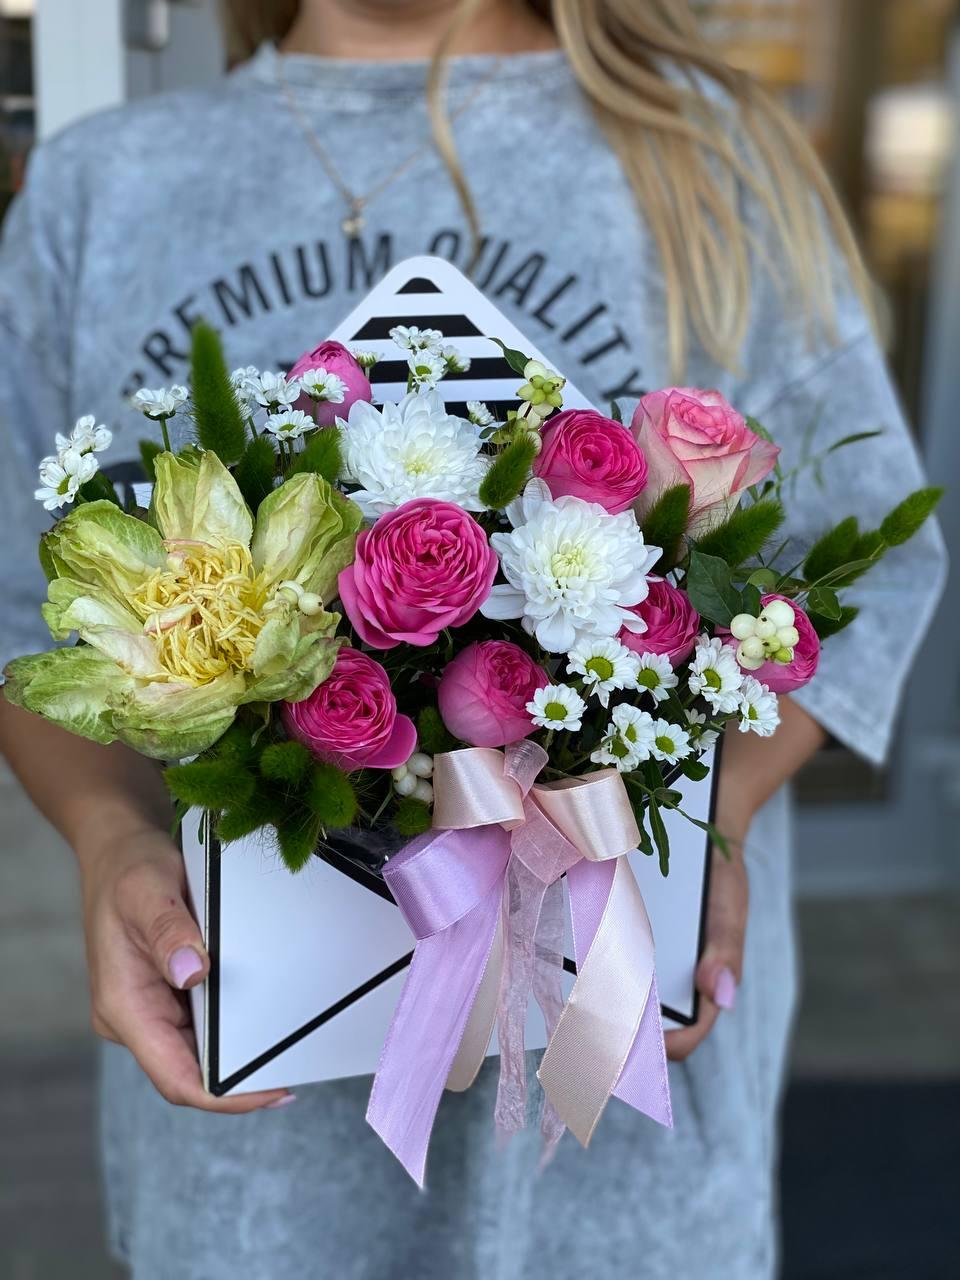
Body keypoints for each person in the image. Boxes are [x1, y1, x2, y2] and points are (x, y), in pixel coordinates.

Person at [0, 1, 946, 1277]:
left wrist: (715, 817)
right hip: (256, 1169)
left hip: (609, 1162)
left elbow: (868, 572)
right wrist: (111, 840)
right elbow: (23, 617)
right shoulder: (101, 184)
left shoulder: (706, 156)